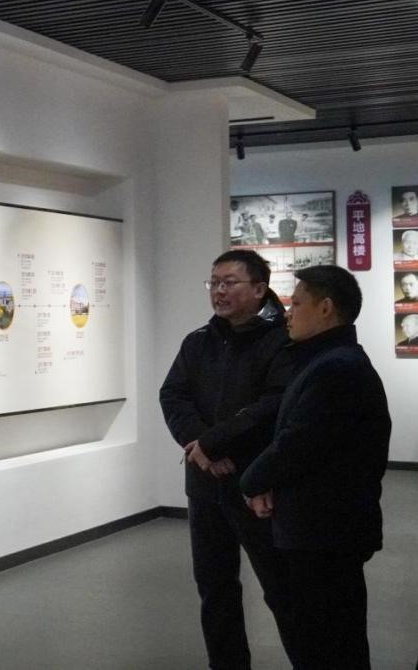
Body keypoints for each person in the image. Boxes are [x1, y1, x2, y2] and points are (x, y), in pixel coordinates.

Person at [240, 265, 391, 670]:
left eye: (296, 303)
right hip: (320, 529)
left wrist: (252, 480)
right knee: (327, 637)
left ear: (325, 308)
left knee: (329, 642)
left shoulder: (336, 369)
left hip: (326, 532)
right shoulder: (325, 362)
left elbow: (299, 442)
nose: (288, 313)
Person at [160, 249, 299, 668]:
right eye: (214, 283)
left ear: (259, 289)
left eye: (229, 283)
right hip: (205, 485)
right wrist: (201, 446)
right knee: (215, 588)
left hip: (257, 485)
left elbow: (272, 407)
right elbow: (173, 396)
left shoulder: (284, 342)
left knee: (283, 588)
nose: (219, 291)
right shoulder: (198, 341)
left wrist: (213, 444)